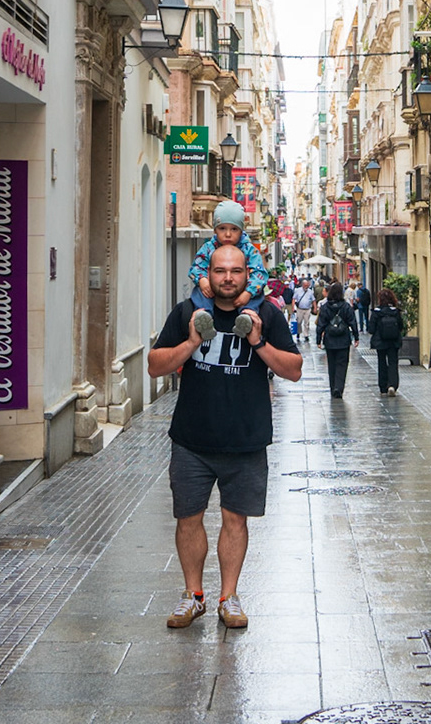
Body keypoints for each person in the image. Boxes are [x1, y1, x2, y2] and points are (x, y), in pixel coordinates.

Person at [148, 243, 303, 629]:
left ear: (248, 275)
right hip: (192, 440)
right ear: (208, 274)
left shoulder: (265, 314)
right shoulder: (187, 312)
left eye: (236, 271)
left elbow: (294, 370)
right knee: (188, 519)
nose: (228, 278)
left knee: (236, 521)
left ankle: (228, 597)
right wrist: (191, 342)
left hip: (246, 440)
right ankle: (193, 596)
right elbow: (154, 366)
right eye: (220, 271)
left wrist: (258, 343)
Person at [186, 201, 270, 340]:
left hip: (244, 290)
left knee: (257, 296)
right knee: (199, 293)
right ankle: (204, 317)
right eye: (222, 228)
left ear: (241, 230)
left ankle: (247, 318)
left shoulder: (249, 250)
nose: (228, 234)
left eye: (234, 229)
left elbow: (259, 273)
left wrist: (248, 292)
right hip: (213, 291)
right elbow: (196, 266)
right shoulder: (208, 248)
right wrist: (202, 280)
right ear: (215, 230)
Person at [315, 281, 358, 399]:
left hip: (330, 339)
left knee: (332, 364)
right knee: (342, 364)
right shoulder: (346, 307)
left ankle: (333, 386)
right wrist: (356, 337)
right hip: (343, 339)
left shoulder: (325, 307)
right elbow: (353, 322)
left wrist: (318, 340)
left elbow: (320, 324)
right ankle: (339, 387)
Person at [367, 288, 407, 396]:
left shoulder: (376, 312)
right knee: (393, 362)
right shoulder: (396, 312)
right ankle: (392, 385)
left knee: (382, 362)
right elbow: (401, 327)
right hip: (394, 341)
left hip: (380, 342)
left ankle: (383, 387)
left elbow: (371, 329)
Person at [293, 280, 317, 345]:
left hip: (307, 309)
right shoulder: (298, 290)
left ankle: (306, 335)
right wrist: (293, 307)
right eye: (305, 285)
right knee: (299, 322)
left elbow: (313, 300)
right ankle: (298, 332)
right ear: (302, 285)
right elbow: (294, 298)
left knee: (306, 323)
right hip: (299, 309)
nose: (307, 286)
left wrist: (315, 308)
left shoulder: (310, 291)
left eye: (307, 285)